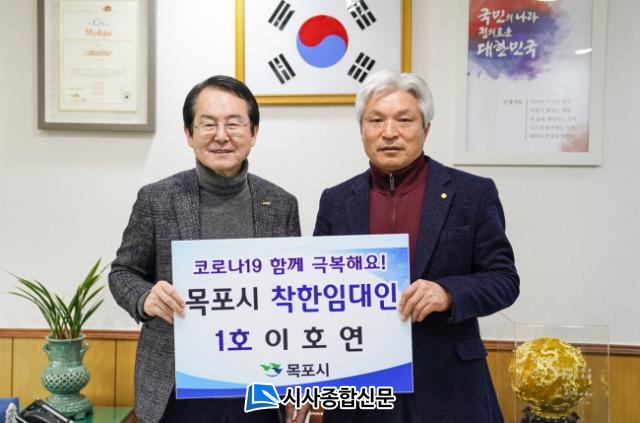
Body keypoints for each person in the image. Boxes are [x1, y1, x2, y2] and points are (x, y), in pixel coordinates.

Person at [313, 70, 520, 422]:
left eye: (404, 120)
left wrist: (448, 293)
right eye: (376, 120)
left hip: (449, 385)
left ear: (426, 128)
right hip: (362, 386)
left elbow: (504, 280)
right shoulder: (336, 201)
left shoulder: (472, 193)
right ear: (362, 129)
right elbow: (318, 291)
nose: (389, 132)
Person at [109, 75, 307, 423]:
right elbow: (123, 272)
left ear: (254, 132)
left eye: (234, 123)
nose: (221, 135)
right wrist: (145, 298)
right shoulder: (157, 199)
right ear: (189, 133)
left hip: (258, 381)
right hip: (177, 385)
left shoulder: (280, 204)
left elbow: (294, 298)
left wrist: (297, 382)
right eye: (208, 124)